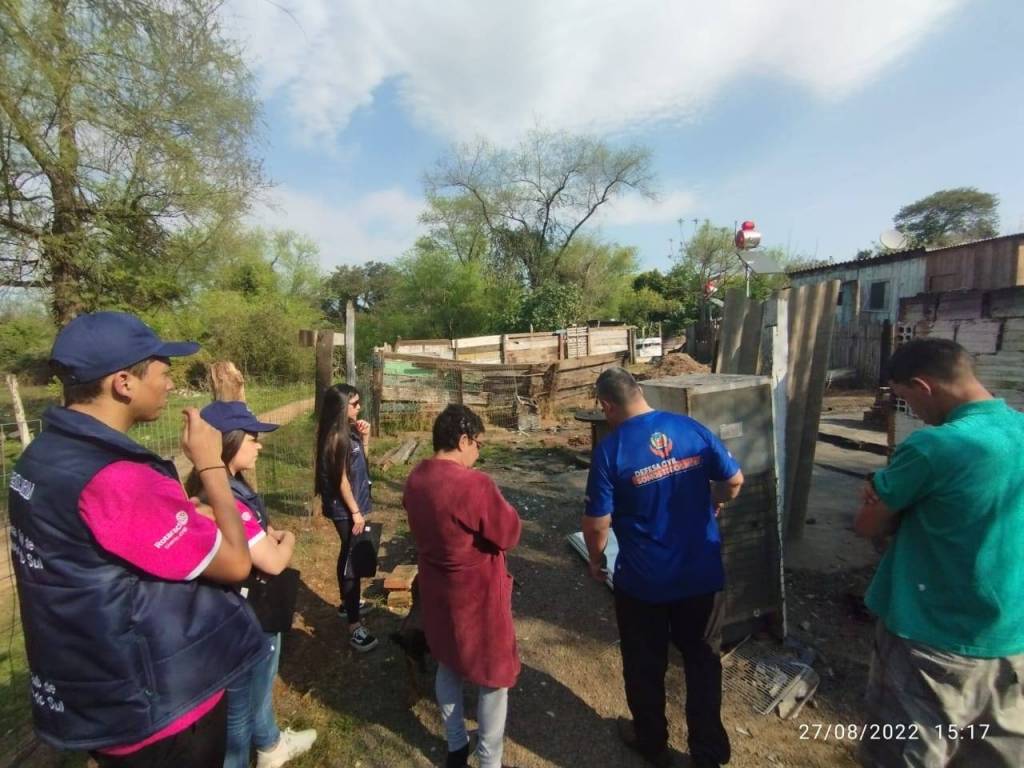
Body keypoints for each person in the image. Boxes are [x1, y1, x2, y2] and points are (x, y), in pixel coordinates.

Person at [7, 311, 268, 767]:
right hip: (160, 709)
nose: (170, 384)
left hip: (98, 687)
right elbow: (235, 562)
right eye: (163, 373)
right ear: (124, 383)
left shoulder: (41, 456)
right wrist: (209, 464)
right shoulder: (117, 477)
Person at [854, 338, 1024, 768]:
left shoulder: (934, 447)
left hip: (930, 636)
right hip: (1010, 637)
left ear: (922, 386)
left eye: (905, 398)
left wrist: (884, 500)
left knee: (903, 752)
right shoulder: (1019, 430)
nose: (911, 410)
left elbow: (869, 524)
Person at [581, 367, 743, 768]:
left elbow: (597, 523)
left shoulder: (611, 450)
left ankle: (652, 743)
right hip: (702, 576)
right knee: (702, 662)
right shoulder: (689, 427)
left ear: (606, 405)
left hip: (644, 585)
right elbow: (734, 480)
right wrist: (715, 499)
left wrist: (596, 559)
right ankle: (708, 754)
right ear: (639, 392)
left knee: (644, 665)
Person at [184, 401, 317, 768]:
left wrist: (269, 533)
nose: (260, 446)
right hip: (246, 617)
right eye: (252, 439)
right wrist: (289, 538)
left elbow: (257, 529)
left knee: (256, 693)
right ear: (228, 443)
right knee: (240, 711)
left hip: (243, 611)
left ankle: (271, 745)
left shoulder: (227, 489)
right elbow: (273, 561)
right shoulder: (225, 500)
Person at [402, 405, 521, 768]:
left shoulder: (416, 478)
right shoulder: (473, 484)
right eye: (478, 445)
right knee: (494, 678)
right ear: (464, 440)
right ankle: (489, 760)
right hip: (477, 595)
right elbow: (509, 533)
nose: (478, 454)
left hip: (437, 589)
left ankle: (456, 744)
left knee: (449, 662)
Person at [313, 383, 378, 652]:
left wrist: (365, 438)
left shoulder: (348, 431)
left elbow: (361, 464)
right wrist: (355, 512)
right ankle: (354, 626)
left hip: (354, 503)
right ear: (341, 408)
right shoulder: (335, 439)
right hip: (345, 508)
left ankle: (347, 603)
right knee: (353, 561)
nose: (359, 407)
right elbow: (341, 481)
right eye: (354, 404)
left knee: (348, 553)